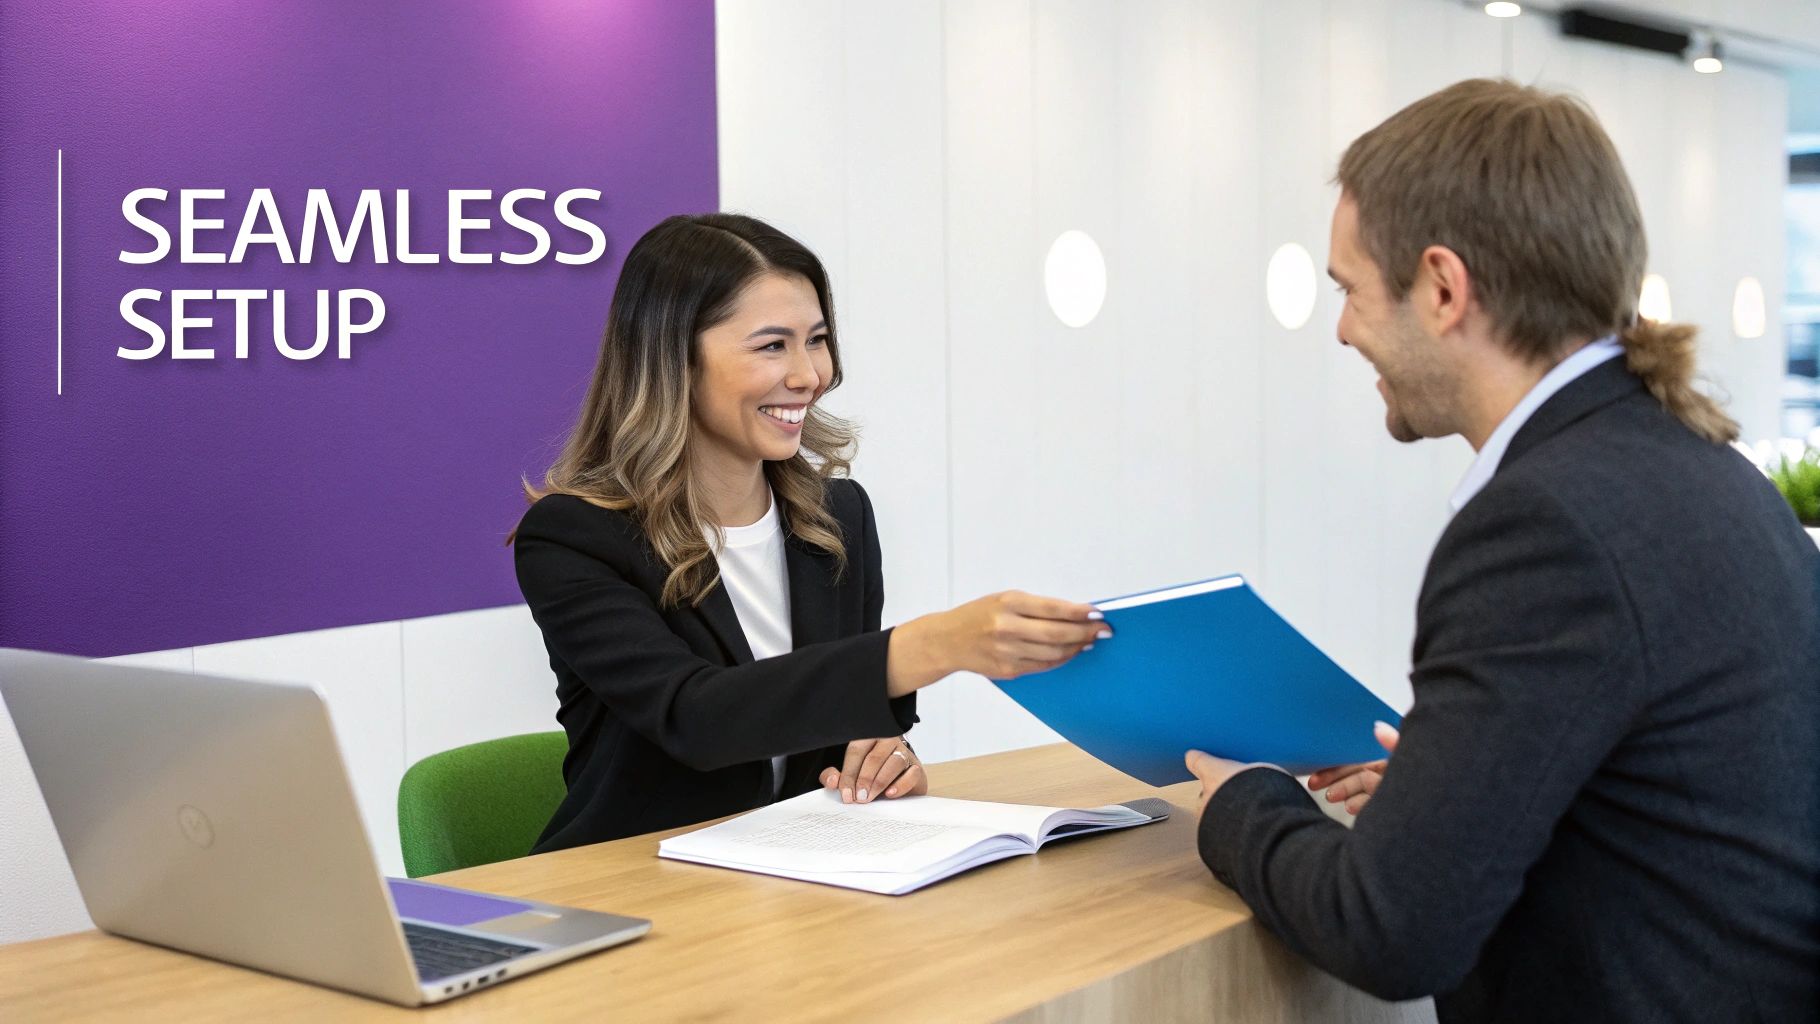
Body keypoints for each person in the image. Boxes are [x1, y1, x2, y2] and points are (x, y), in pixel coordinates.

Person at [1185, 80, 1820, 1022]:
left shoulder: (1544, 526)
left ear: (1443, 288)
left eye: (1352, 290)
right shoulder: (1710, 472)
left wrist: (1244, 809)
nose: (1344, 329)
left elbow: (1390, 929)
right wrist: (1457, 792)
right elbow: (1677, 805)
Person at [514, 213, 1107, 852]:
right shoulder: (572, 536)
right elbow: (696, 717)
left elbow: (847, 717)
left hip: (799, 871)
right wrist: (937, 643)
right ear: (673, 358)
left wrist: (881, 757)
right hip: (637, 878)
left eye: (816, 340)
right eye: (772, 345)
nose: (809, 376)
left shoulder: (839, 516)